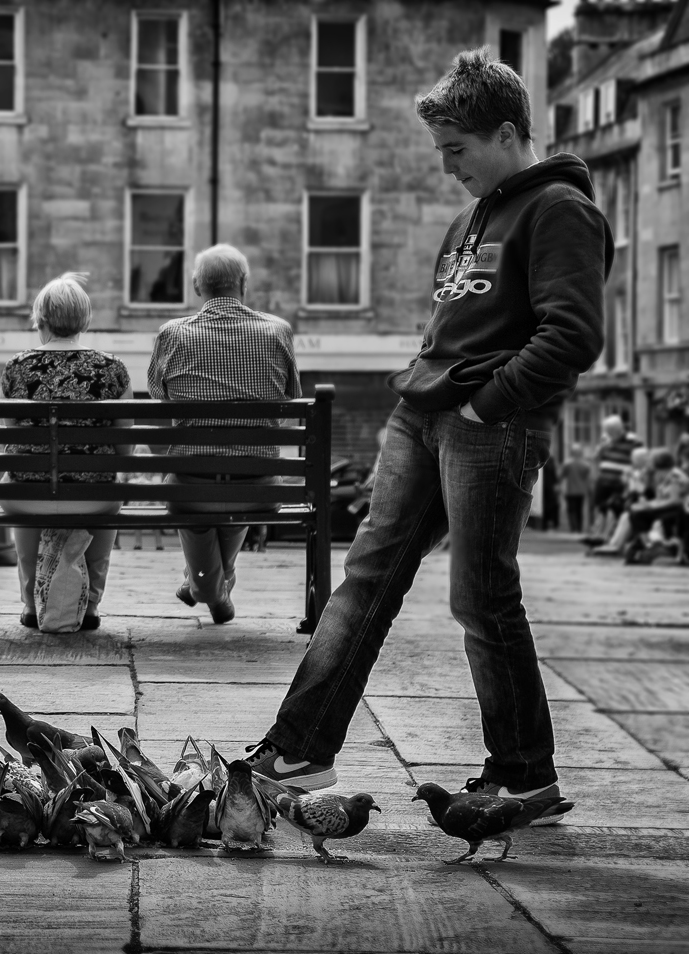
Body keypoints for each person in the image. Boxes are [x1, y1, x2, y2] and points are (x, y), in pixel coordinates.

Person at [244, 48, 612, 803]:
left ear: (507, 132)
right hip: (420, 418)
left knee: (481, 599)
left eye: (456, 149)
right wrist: (424, 392)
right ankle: (298, 751)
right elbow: (456, 323)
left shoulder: (560, 211)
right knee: (364, 580)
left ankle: (521, 776)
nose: (446, 166)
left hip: (488, 427)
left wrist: (485, 404)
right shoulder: (468, 217)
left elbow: (571, 334)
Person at [147, 244, 301, 625]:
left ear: (198, 286)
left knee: (199, 509)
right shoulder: (277, 331)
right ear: (244, 284)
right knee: (239, 487)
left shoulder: (172, 334)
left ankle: (205, 588)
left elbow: (157, 393)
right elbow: (292, 397)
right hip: (257, 486)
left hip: (191, 487)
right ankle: (211, 586)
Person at [0, 272, 133, 631]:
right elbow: (125, 445)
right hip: (92, 497)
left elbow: (12, 436)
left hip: (31, 495)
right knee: (112, 487)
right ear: (84, 320)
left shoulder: (16, 367)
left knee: (14, 480)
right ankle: (88, 607)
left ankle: (31, 603)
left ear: (40, 319)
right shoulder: (113, 369)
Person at [593, 415, 641, 541]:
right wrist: (601, 448)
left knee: (612, 508)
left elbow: (640, 459)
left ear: (619, 429)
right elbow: (597, 457)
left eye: (611, 432)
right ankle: (598, 534)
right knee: (600, 508)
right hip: (603, 480)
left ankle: (607, 536)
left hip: (619, 481)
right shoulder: (606, 440)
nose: (608, 434)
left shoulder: (633, 441)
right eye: (607, 431)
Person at [560, 443, 591, 534]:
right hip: (581, 490)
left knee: (571, 510)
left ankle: (573, 528)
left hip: (570, 490)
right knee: (579, 510)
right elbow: (587, 477)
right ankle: (579, 528)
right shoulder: (585, 465)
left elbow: (562, 475)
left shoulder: (568, 464)